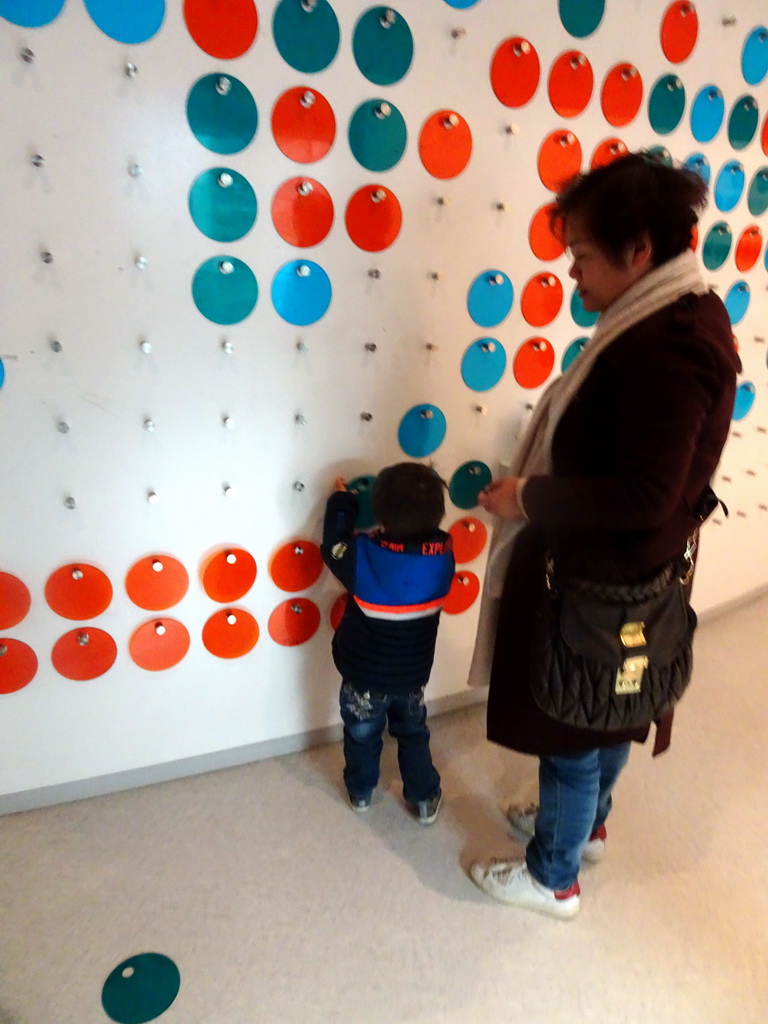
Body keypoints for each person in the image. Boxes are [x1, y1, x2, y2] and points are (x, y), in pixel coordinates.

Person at [467, 152, 741, 919]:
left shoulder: (669, 346)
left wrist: (528, 495)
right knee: (609, 708)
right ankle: (588, 830)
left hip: (604, 579)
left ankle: (553, 875)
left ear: (639, 251)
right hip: (627, 576)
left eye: (582, 256)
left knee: (570, 732)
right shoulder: (678, 312)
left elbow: (643, 494)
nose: (573, 276)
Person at [321, 462, 455, 823]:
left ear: (377, 512)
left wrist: (341, 503)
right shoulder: (444, 558)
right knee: (413, 733)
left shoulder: (362, 557)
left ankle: (361, 792)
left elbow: (333, 547)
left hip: (363, 676)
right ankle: (424, 799)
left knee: (362, 735)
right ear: (439, 514)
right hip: (411, 676)